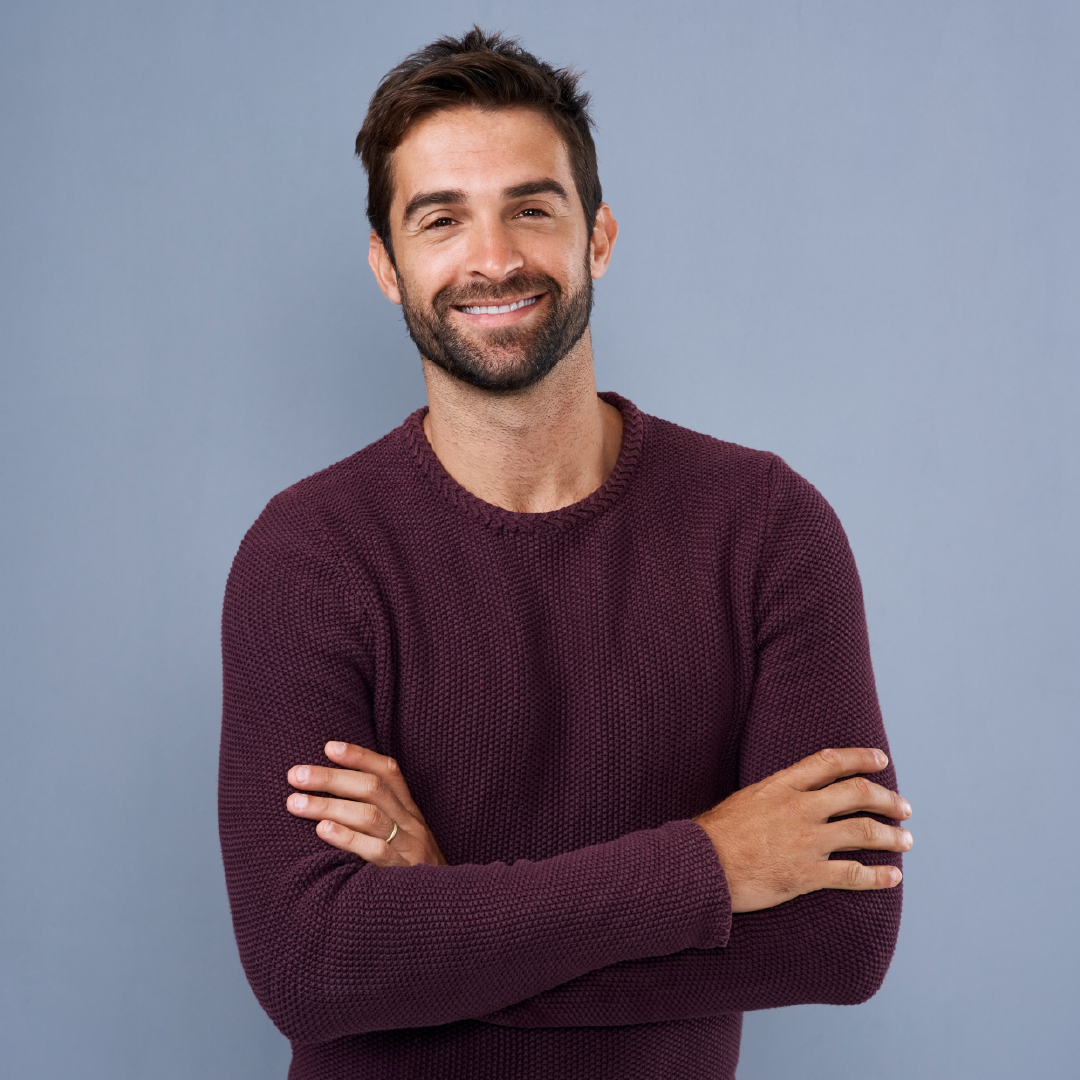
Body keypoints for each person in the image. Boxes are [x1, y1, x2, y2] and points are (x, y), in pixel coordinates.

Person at [219, 27, 912, 1080]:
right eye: (441, 218)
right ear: (386, 267)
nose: (493, 258)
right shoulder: (310, 555)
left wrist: (440, 920)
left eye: (531, 208)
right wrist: (709, 867)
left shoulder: (766, 527)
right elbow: (307, 965)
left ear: (598, 236)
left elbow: (844, 939)